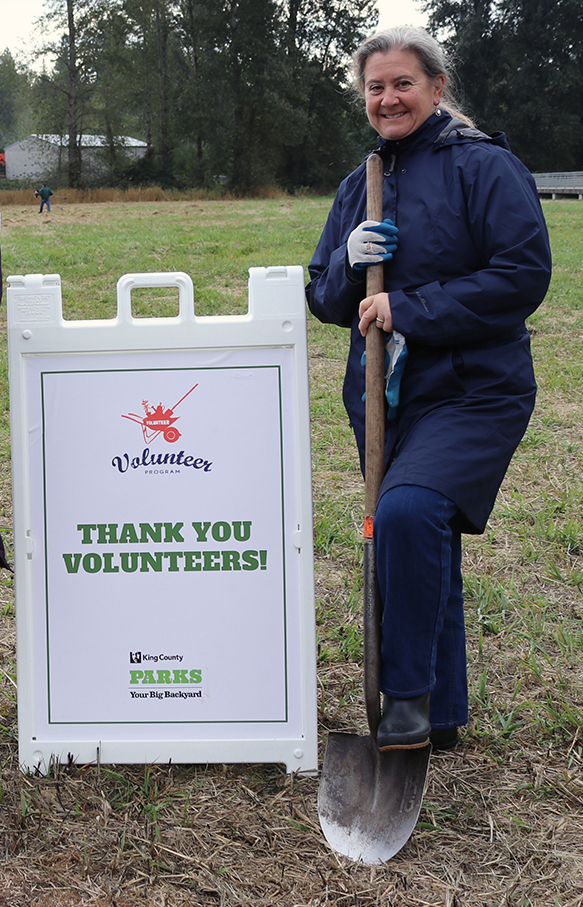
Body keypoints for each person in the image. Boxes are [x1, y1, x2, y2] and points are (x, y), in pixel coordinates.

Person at [306, 27, 552, 752]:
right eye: (375, 87)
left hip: (475, 386)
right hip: (385, 396)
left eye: (402, 84)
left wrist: (406, 306)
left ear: (436, 89)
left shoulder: (484, 167)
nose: (387, 98)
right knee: (420, 534)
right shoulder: (361, 183)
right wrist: (350, 267)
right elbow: (321, 296)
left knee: (409, 513)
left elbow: (521, 276)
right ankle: (439, 717)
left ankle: (406, 697)